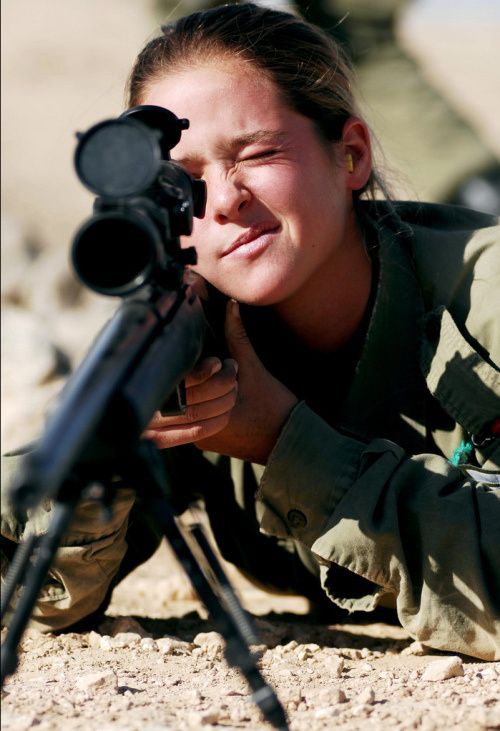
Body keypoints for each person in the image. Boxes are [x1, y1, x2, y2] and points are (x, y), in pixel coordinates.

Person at [2, 2, 499, 660]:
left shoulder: (483, 295)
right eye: (183, 184)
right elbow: (39, 589)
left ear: (350, 155)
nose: (227, 198)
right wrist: (107, 457)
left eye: (258, 153)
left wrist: (283, 440)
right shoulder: (187, 333)